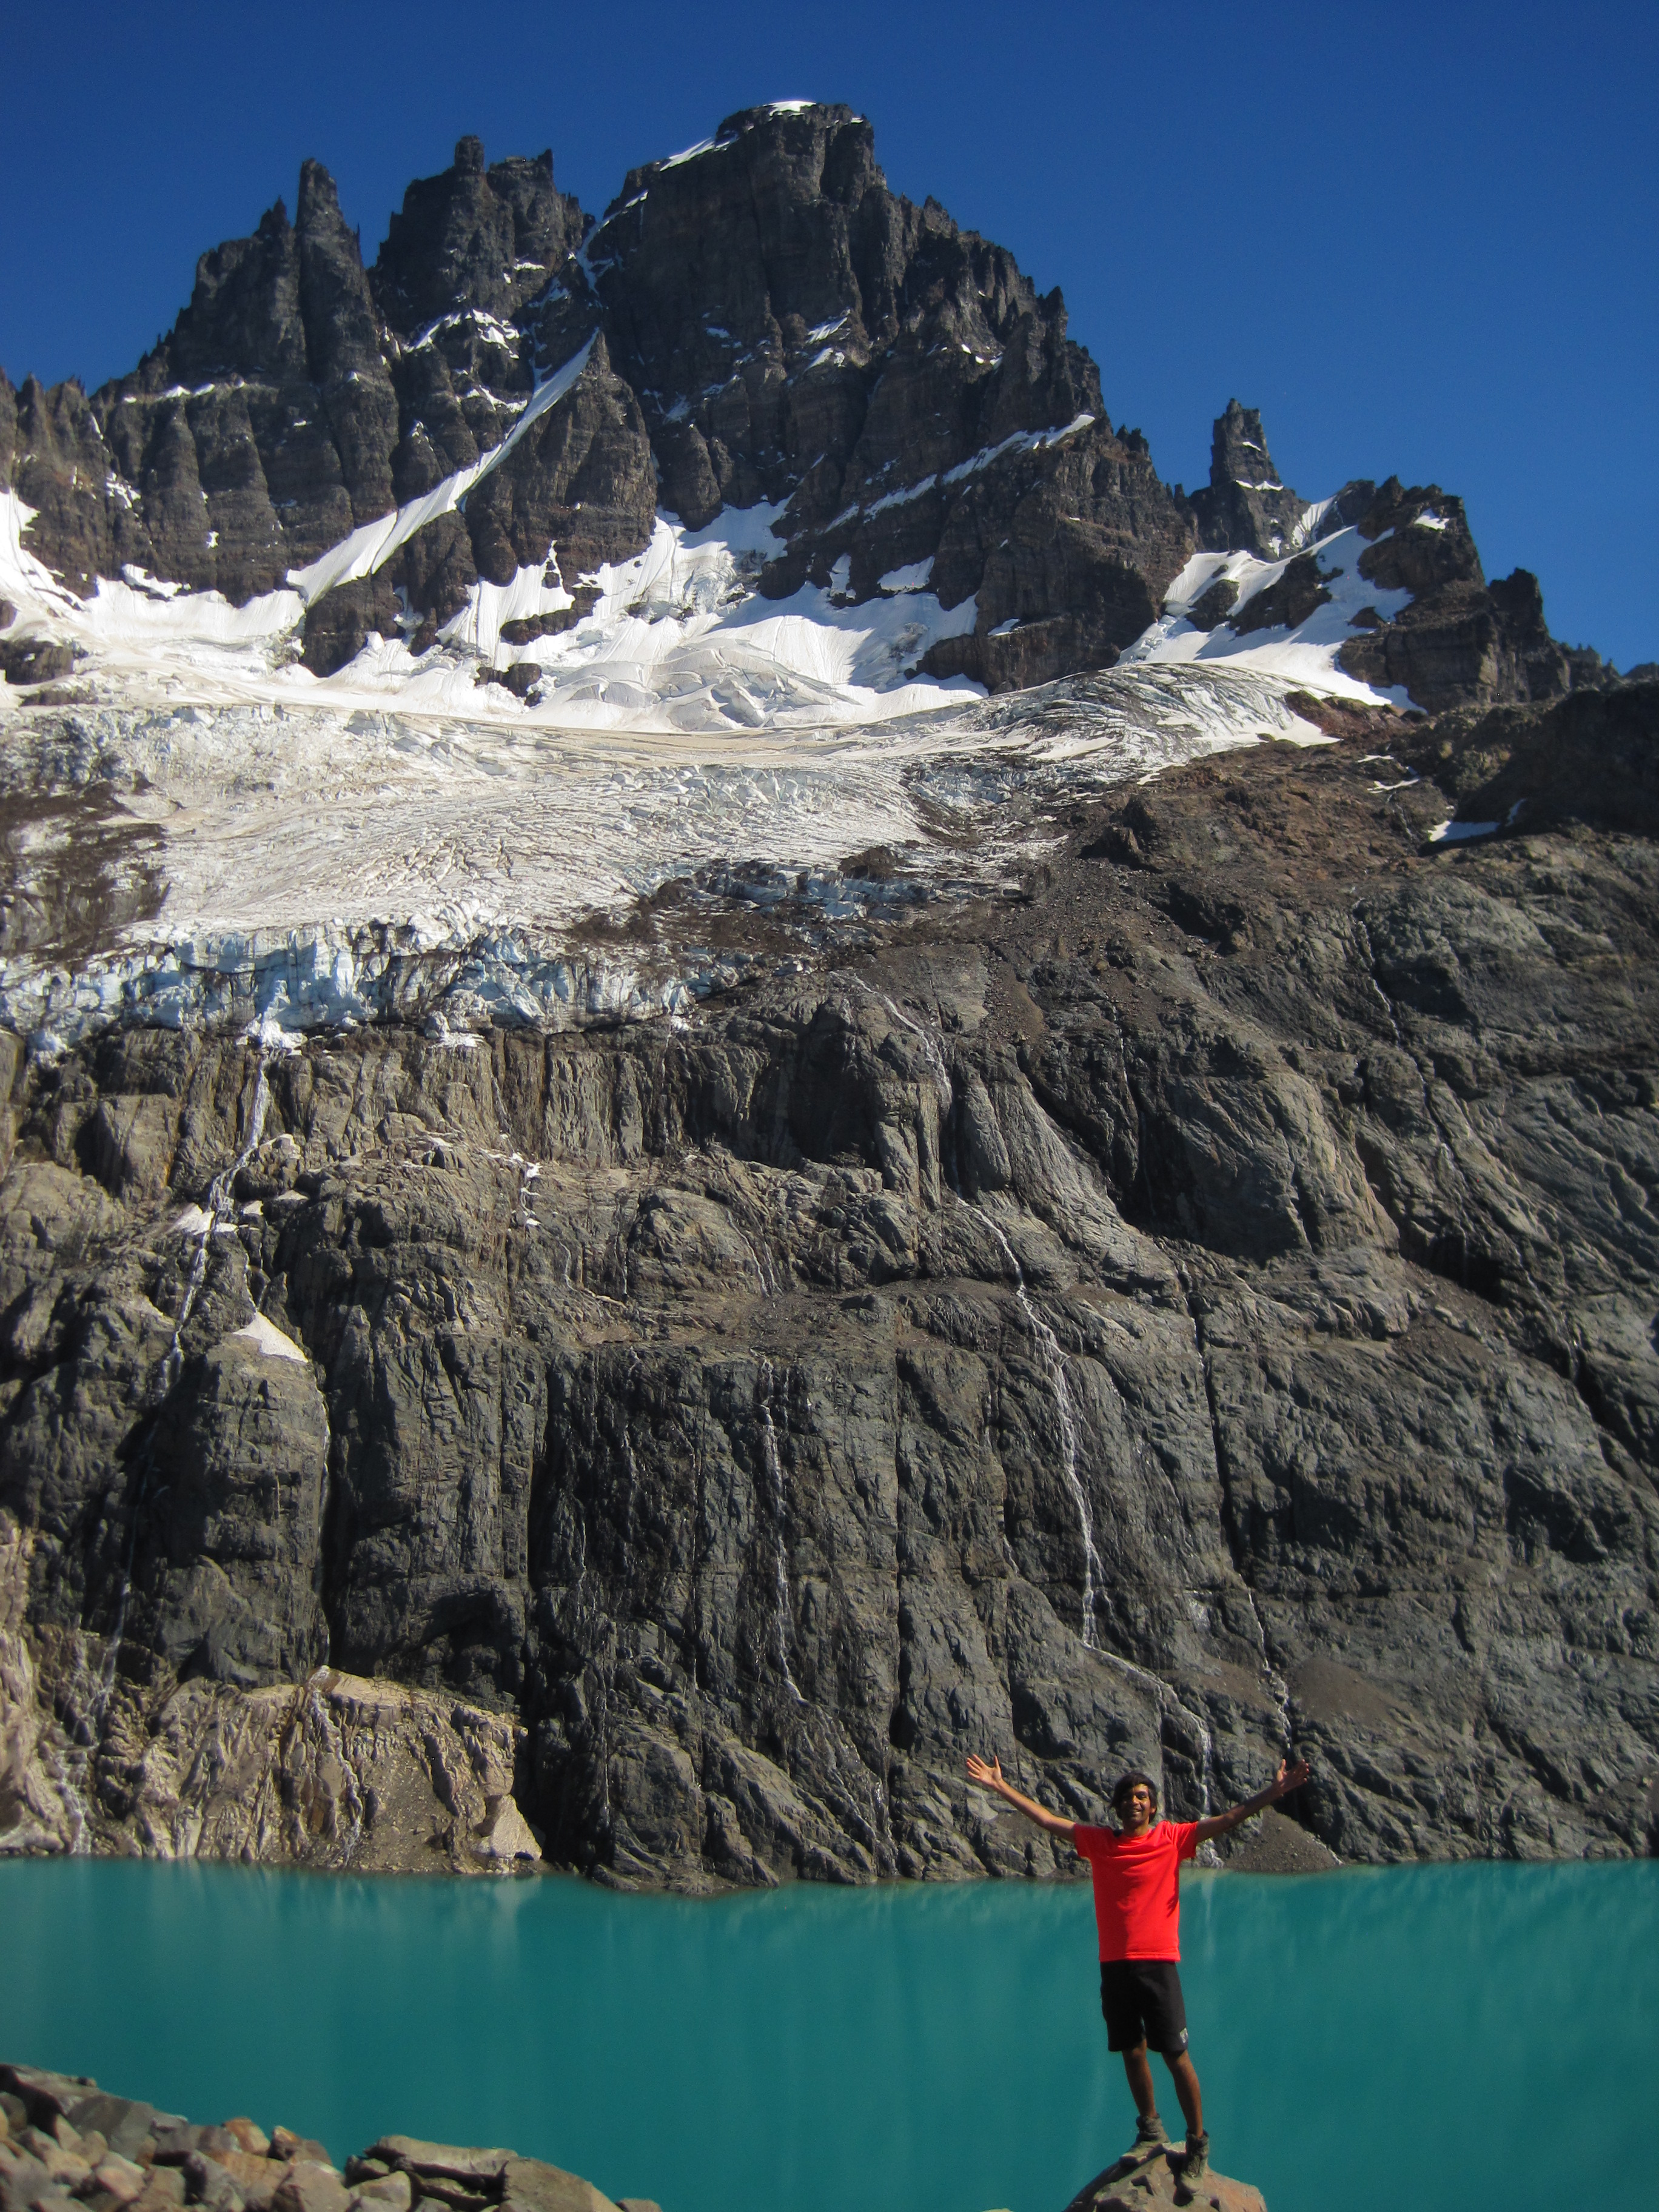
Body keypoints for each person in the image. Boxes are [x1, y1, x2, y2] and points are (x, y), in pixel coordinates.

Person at [965, 1749, 1312, 2182]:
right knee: (1131, 2051)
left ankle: (1198, 2141)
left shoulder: (1172, 1839)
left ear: (1153, 1806)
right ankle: (1151, 2129)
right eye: (1128, 1795)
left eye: (1143, 1795)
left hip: (1158, 1965)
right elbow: (1049, 1822)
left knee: (1175, 2054)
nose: (1135, 1801)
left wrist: (1273, 1793)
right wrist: (1000, 1786)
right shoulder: (1100, 1843)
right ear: (1117, 1805)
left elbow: (1226, 1821)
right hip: (1115, 1966)